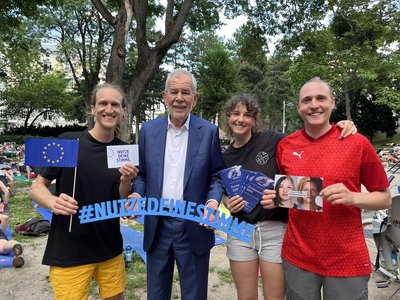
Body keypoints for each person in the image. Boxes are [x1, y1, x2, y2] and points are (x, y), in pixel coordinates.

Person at [261, 77, 391, 300]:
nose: (314, 105)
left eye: (320, 98)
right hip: (298, 256)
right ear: (298, 107)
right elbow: (288, 193)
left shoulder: (357, 143)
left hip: (347, 259)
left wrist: (353, 197)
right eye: (306, 100)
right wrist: (275, 197)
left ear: (332, 102)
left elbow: (385, 199)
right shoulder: (286, 145)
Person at [222, 93, 357, 300]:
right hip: (240, 230)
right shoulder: (224, 156)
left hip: (275, 229)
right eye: (236, 114)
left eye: (247, 115)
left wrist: (336, 128)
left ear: (254, 119)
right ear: (228, 117)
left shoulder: (272, 140)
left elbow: (308, 140)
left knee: (275, 297)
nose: (241, 119)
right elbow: (223, 191)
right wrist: (227, 202)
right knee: (246, 297)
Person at [29, 83, 138, 300]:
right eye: (103, 103)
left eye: (115, 104)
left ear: (123, 111)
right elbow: (36, 188)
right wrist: (52, 202)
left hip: (110, 248)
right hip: (71, 249)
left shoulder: (124, 150)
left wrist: (127, 185)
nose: (109, 109)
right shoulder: (69, 142)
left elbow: (121, 198)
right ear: (93, 108)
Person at [130, 69, 225, 300]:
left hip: (194, 224)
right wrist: (137, 195)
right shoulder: (148, 131)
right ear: (165, 96)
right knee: (156, 293)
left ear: (195, 98)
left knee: (194, 294)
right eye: (174, 92)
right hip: (157, 224)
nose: (179, 98)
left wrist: (212, 202)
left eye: (186, 92)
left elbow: (216, 176)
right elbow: (141, 174)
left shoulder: (209, 132)